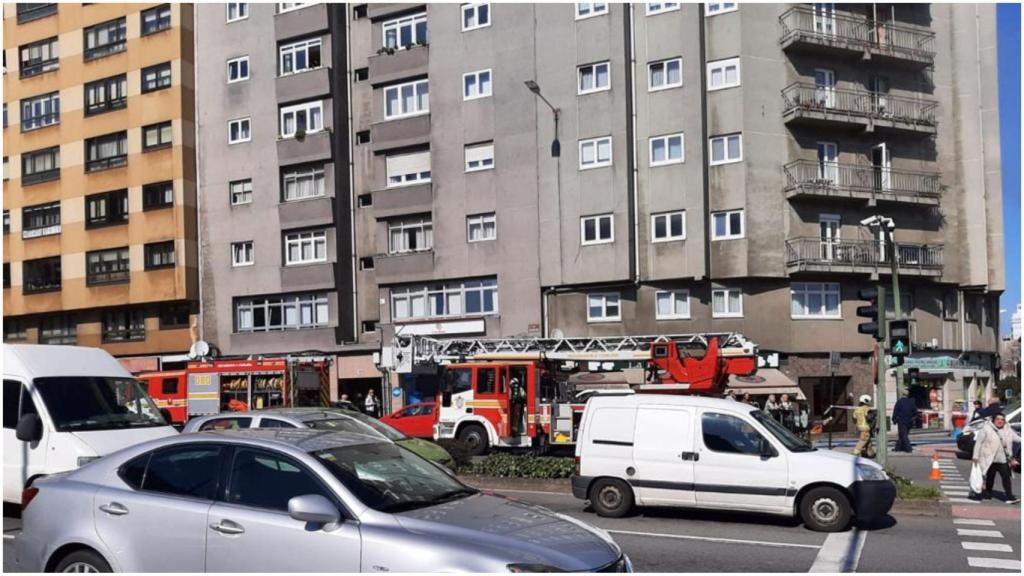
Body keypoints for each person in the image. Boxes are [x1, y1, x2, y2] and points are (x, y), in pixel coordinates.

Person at [971, 412, 1021, 504]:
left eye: (1002, 420)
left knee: (1006, 477)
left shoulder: (1008, 429)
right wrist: (975, 456)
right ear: (993, 420)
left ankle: (1009, 496)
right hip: (989, 458)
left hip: (1003, 459)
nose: (1000, 421)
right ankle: (988, 492)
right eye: (998, 419)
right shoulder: (986, 429)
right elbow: (978, 443)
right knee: (990, 476)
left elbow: (1017, 438)